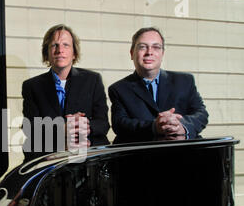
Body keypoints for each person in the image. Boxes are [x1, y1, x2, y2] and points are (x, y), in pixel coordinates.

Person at [22, 24, 110, 161]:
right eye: (54, 45)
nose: (60, 50)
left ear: (74, 53)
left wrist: (85, 126)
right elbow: (30, 128)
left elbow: (103, 123)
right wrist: (63, 127)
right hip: (47, 163)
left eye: (66, 45)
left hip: (85, 162)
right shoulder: (32, 86)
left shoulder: (92, 80)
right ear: (47, 53)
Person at [108, 27, 208, 144]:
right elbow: (120, 124)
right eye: (142, 47)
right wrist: (154, 127)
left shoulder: (185, 81)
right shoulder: (119, 89)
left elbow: (201, 114)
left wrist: (181, 125)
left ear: (162, 53)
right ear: (132, 53)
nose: (149, 52)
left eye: (156, 47)